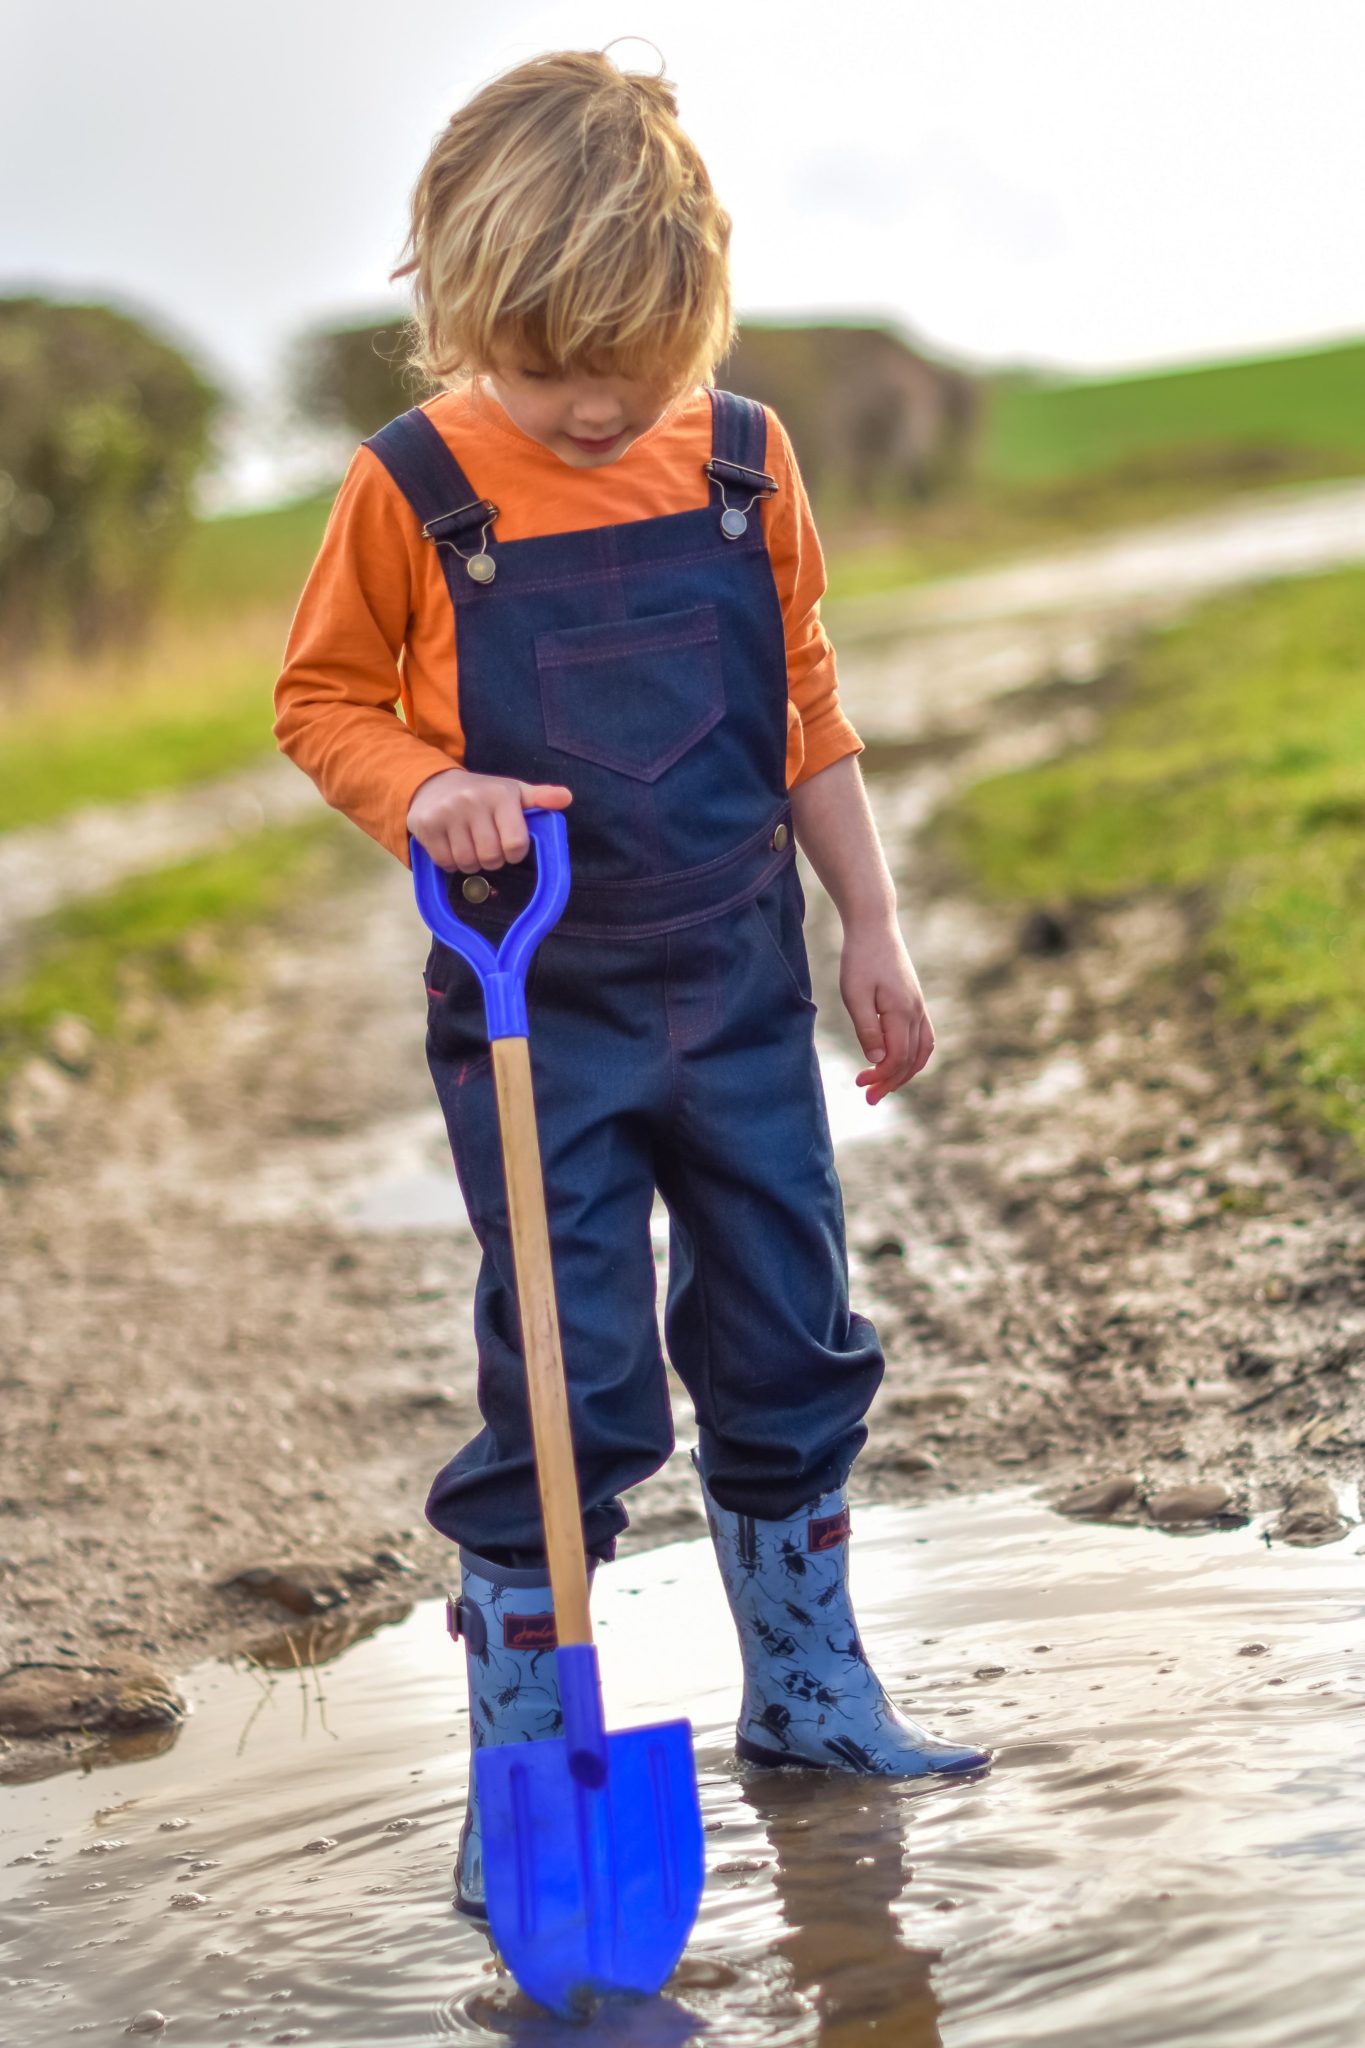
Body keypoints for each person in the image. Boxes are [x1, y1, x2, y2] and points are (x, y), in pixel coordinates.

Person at [273, 44, 989, 1919]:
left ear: (699, 318)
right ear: (455, 315)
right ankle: (526, 1748)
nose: (593, 411)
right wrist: (428, 789)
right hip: (538, 1015)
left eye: (634, 368)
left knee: (785, 1329)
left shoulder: (745, 463)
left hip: (738, 987)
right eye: (542, 370)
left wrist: (872, 930)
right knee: (572, 1381)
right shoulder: (411, 490)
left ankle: (813, 1694)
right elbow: (322, 701)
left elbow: (807, 713)